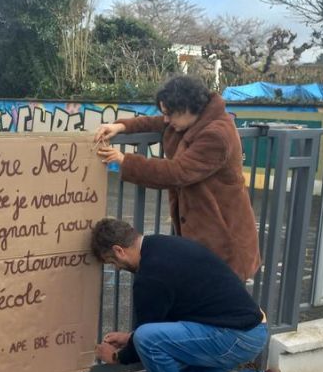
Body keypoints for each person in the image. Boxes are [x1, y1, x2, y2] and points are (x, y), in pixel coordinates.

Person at [90, 218, 288, 372]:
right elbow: (168, 318)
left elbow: (147, 338)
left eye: (112, 262)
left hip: (235, 335)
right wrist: (130, 337)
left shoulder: (150, 275)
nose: (116, 268)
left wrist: (117, 357)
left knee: (146, 338)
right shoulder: (161, 245)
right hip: (247, 329)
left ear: (119, 250)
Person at [94, 75, 261, 282]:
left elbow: (177, 172)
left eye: (169, 114)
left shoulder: (217, 135)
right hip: (206, 231)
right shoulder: (195, 119)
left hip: (223, 235)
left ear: (188, 107)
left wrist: (125, 161)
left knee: (222, 298)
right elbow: (156, 122)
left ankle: (256, 316)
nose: (166, 120)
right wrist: (122, 126)